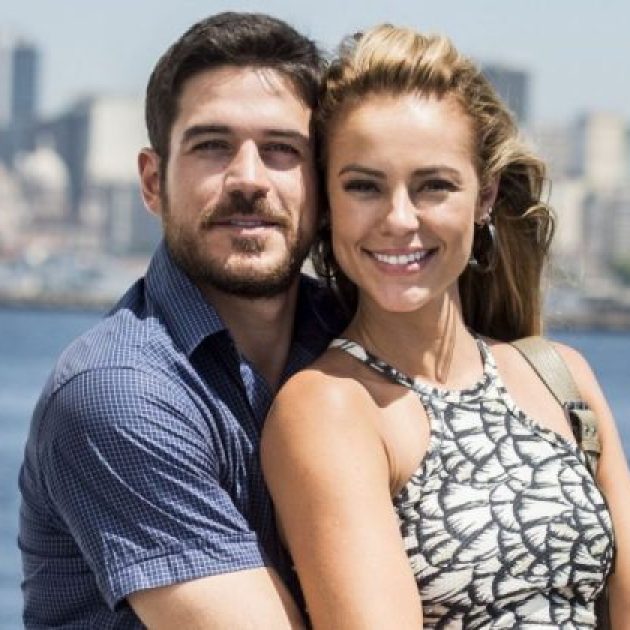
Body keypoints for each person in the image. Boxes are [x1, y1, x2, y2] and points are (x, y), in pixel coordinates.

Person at [262, 24, 630, 628]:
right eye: (364, 186)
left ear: (484, 197)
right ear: (328, 206)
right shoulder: (329, 408)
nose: (399, 219)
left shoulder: (561, 376)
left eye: (434, 185)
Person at [18, 12, 342, 629]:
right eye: (212, 146)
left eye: (282, 149)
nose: (248, 179)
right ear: (152, 182)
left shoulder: (352, 338)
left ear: (323, 185)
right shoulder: (115, 393)